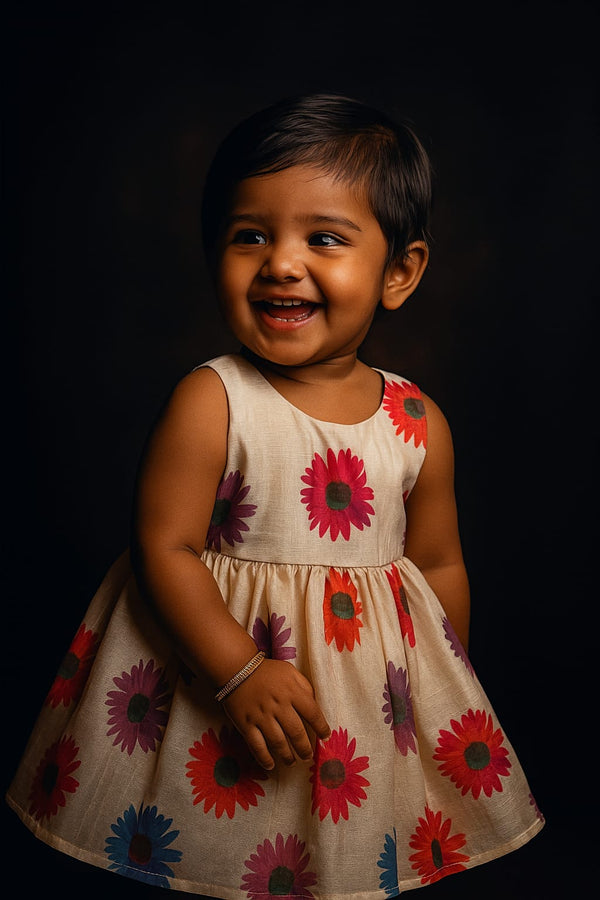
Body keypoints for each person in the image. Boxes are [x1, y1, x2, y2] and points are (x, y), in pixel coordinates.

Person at [6, 93, 544, 897]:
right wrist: (239, 671)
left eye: (323, 238)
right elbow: (165, 547)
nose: (281, 263)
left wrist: (444, 688)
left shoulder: (416, 421)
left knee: (345, 858)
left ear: (399, 272)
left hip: (363, 711)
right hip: (215, 681)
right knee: (217, 852)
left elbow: (436, 563)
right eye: (249, 235)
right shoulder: (214, 399)